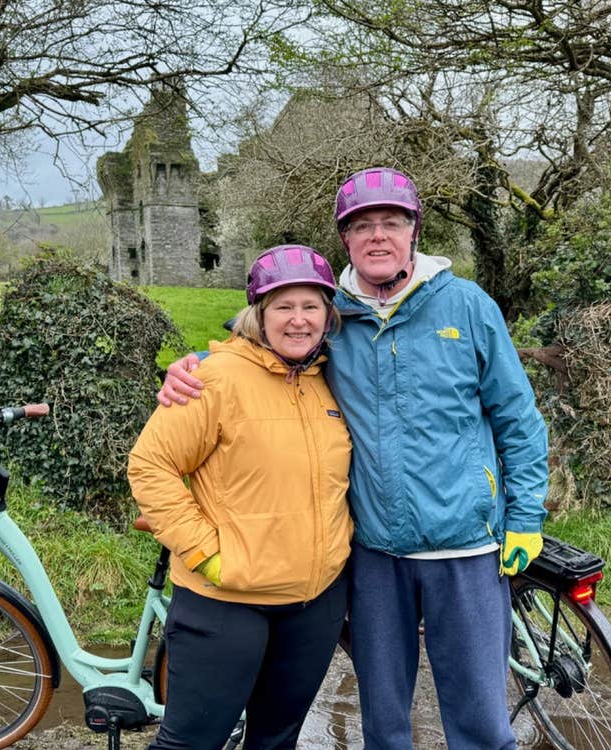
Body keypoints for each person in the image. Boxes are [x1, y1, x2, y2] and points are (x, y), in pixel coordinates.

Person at [159, 167, 549, 749]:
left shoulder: (468, 306)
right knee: (383, 721)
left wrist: (525, 516)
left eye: (392, 222)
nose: (378, 236)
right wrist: (192, 364)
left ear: (414, 230)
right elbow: (261, 347)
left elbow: (518, 418)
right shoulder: (331, 314)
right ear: (345, 239)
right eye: (362, 226)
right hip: (373, 553)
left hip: (465, 543)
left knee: (482, 723)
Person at [128, 244, 354, 750]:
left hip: (314, 604)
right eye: (283, 307)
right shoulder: (214, 378)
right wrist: (204, 551)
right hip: (226, 602)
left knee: (276, 740)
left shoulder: (335, 381)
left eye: (311, 306)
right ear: (258, 313)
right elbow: (152, 464)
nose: (298, 320)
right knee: (192, 742)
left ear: (328, 314)